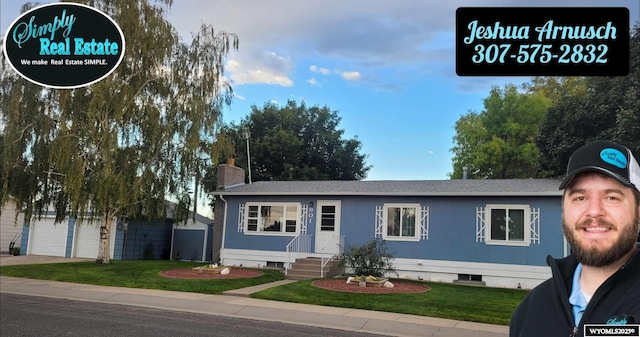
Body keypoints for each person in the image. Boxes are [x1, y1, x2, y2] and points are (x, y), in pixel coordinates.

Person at [510, 140, 640, 337]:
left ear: (638, 212)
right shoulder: (530, 309)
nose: (594, 212)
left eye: (612, 197)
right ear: (564, 212)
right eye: (580, 198)